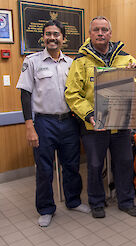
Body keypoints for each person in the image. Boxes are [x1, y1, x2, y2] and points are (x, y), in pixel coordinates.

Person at [65, 16, 136, 218]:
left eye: (104, 30)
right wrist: (89, 115)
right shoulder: (80, 61)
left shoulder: (127, 58)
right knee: (95, 165)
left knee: (125, 163)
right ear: (90, 34)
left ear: (110, 33)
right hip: (94, 126)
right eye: (96, 30)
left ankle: (126, 201)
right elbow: (72, 94)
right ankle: (97, 202)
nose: (100, 33)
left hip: (120, 125)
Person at [16, 20, 90, 227]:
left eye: (56, 34)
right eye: (48, 34)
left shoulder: (72, 63)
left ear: (63, 38)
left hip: (69, 122)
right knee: (45, 169)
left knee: (72, 166)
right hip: (43, 123)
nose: (52, 37)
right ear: (43, 37)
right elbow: (25, 94)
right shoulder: (32, 61)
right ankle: (46, 209)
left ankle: (73, 201)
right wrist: (29, 126)